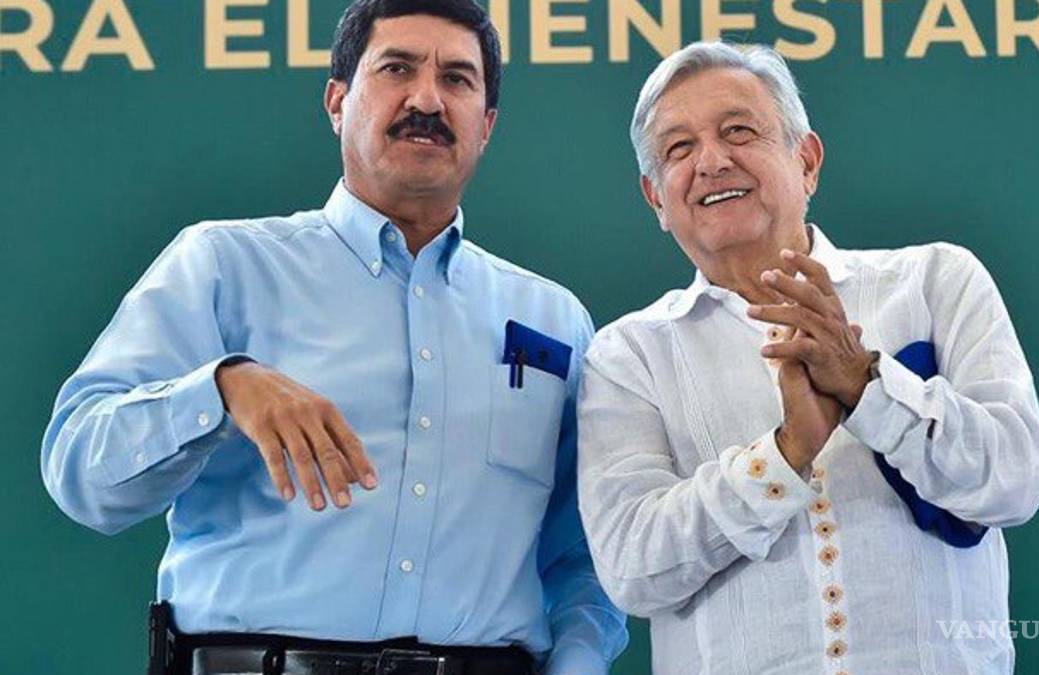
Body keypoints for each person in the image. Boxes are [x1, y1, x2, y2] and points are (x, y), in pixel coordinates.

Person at [40, 1, 626, 673]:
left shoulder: (554, 319)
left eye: (458, 79)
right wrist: (222, 390)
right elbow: (80, 473)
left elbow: (586, 555)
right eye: (397, 68)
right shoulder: (223, 266)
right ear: (337, 102)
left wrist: (576, 665)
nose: (427, 99)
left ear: (486, 124)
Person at [577, 41, 1039, 675]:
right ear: (656, 198)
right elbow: (633, 571)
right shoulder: (628, 355)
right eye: (679, 149)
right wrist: (784, 454)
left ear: (806, 161)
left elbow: (1014, 481)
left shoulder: (936, 282)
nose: (711, 161)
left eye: (738, 131)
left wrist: (870, 387)